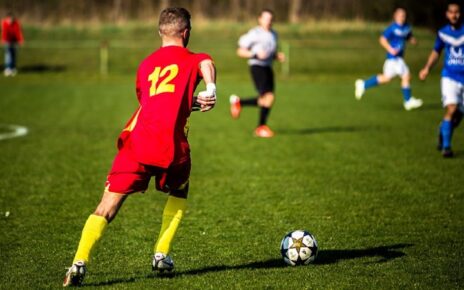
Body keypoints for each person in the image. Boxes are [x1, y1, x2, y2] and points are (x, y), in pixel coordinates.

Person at [63, 7, 217, 287]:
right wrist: (210, 89)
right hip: (171, 149)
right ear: (186, 33)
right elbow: (207, 64)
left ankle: (78, 263)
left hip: (137, 146)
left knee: (106, 207)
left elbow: (154, 103)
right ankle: (161, 253)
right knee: (181, 188)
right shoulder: (194, 58)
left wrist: (189, 102)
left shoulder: (146, 65)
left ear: (160, 32)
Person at [229, 9, 285, 138]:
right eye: (266, 18)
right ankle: (261, 128)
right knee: (268, 97)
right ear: (260, 19)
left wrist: (277, 56)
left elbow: (269, 53)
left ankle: (239, 103)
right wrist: (255, 54)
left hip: (268, 67)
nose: (268, 21)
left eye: (270, 19)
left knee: (268, 99)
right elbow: (240, 51)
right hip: (257, 67)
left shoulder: (274, 34)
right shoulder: (254, 34)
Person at [355, 8, 423, 111]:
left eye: (404, 15)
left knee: (387, 78)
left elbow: (408, 36)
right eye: (400, 15)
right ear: (395, 16)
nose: (402, 17)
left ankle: (363, 84)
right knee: (406, 75)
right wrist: (390, 49)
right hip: (393, 58)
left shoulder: (406, 27)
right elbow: (382, 39)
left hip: (398, 58)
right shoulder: (392, 28)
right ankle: (408, 101)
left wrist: (413, 40)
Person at [419, 2, 464, 158]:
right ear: (447, 14)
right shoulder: (443, 33)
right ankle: (446, 147)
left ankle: (442, 130)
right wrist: (426, 68)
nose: (454, 15)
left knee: (458, 117)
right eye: (451, 12)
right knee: (451, 109)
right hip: (449, 77)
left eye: (457, 12)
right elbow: (436, 52)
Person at [1, 12, 23, 76]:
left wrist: (20, 40)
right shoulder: (4, 23)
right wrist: (4, 40)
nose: (11, 20)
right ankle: (7, 68)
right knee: (8, 55)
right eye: (10, 19)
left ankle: (13, 68)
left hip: (14, 41)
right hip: (7, 41)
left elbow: (18, 32)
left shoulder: (16, 23)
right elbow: (4, 32)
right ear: (7, 18)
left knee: (14, 54)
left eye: (12, 19)